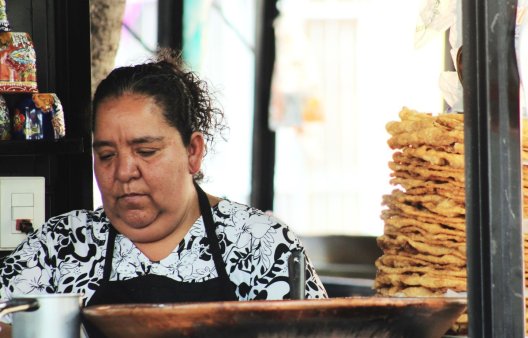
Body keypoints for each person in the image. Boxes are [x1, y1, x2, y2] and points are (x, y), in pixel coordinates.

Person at [0, 51, 328, 334]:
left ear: (193, 151)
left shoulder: (261, 243)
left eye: (146, 151)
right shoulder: (60, 245)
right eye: (107, 155)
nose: (124, 172)